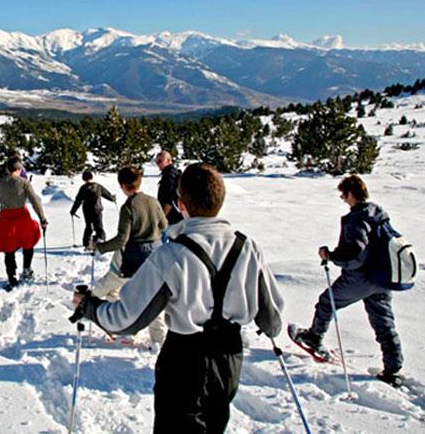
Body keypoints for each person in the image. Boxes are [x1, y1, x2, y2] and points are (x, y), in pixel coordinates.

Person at [74, 163, 284, 433]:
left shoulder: (171, 255)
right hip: (229, 356)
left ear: (181, 204)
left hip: (185, 357)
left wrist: (90, 307)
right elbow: (272, 320)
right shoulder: (247, 247)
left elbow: (127, 319)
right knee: (215, 423)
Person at [291, 174, 404, 386]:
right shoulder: (378, 214)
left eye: (343, 194)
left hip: (360, 278)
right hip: (382, 277)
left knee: (327, 301)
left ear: (351, 193)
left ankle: (314, 338)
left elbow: (354, 254)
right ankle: (393, 367)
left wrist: (331, 256)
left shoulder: (357, 218)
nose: (343, 199)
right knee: (384, 322)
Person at [87, 165, 168, 348]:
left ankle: (120, 327)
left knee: (113, 288)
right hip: (154, 257)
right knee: (153, 296)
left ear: (123, 186)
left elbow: (122, 240)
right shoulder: (153, 201)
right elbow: (164, 225)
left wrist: (100, 247)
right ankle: (159, 340)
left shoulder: (128, 207)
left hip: (131, 259)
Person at [0, 156, 48, 291]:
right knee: (28, 244)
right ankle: (27, 270)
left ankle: (12, 278)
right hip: (23, 218)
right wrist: (42, 218)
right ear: (19, 169)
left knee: (9, 250)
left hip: (6, 220)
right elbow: (35, 201)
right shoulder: (24, 183)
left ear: (8, 169)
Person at [70, 170, 116, 249]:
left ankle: (86, 243)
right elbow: (107, 195)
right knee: (99, 227)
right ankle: (101, 241)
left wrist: (73, 210)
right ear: (92, 177)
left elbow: (78, 200)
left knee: (89, 227)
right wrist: (113, 199)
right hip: (97, 210)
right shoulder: (98, 186)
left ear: (83, 179)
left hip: (87, 211)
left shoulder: (83, 188)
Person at [156, 150, 183, 225]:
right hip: (177, 217)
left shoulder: (169, 176)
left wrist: (163, 217)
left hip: (172, 218)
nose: (158, 164)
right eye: (157, 161)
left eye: (160, 161)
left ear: (168, 160)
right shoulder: (172, 173)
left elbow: (169, 199)